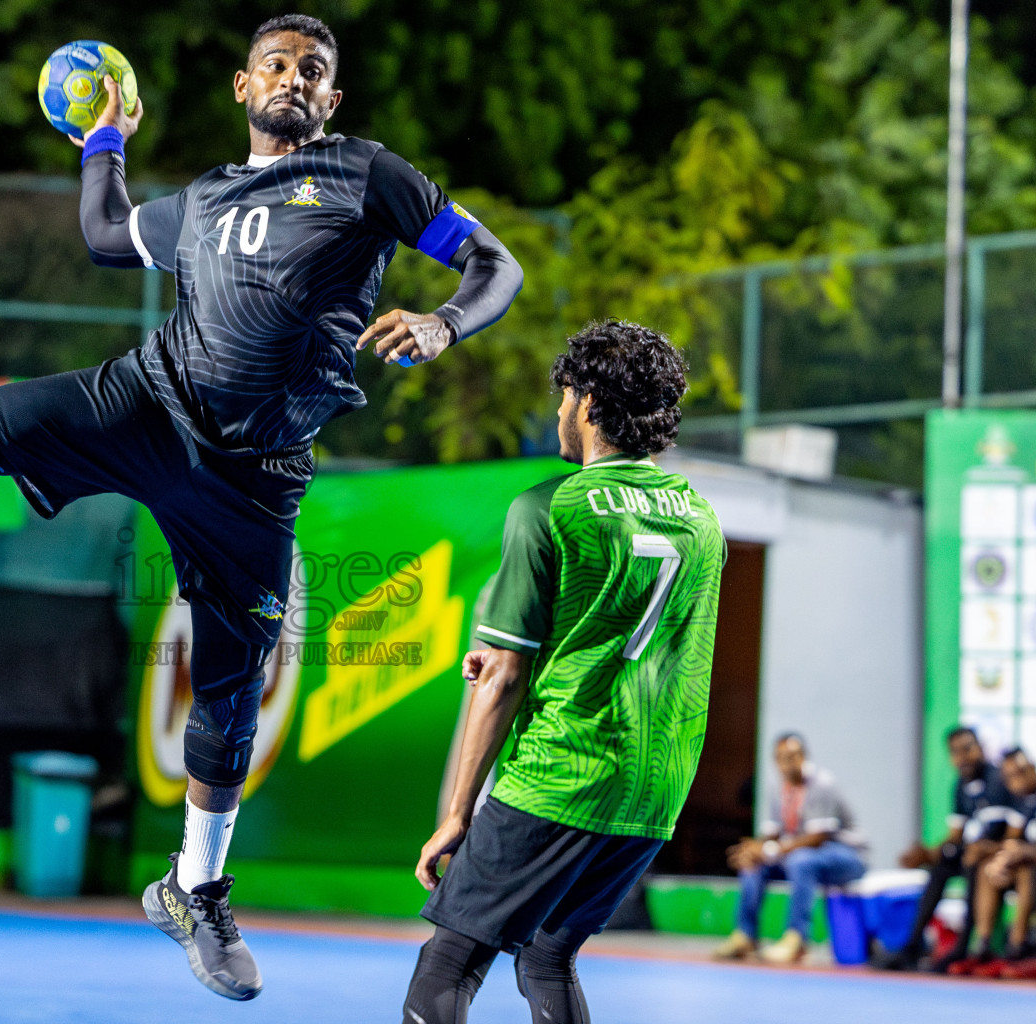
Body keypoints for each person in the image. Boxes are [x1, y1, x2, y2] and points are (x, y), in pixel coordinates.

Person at [0, 13, 523, 1002]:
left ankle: (194, 886)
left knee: (229, 688)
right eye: (275, 63)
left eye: (314, 68)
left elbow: (494, 265)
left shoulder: (369, 176)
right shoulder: (203, 198)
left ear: (332, 99)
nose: (294, 75)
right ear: (243, 89)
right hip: (143, 405)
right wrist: (104, 142)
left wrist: (442, 320)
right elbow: (103, 234)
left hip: (253, 476)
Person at [399, 321, 725, 1024]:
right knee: (549, 955)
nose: (556, 412)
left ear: (587, 403)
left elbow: (503, 677)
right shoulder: (701, 519)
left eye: (564, 395)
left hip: (562, 772)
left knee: (447, 966)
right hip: (653, 791)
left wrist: (456, 814)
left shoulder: (550, 507)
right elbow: (648, 643)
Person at [714, 734, 867, 964]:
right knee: (754, 864)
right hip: (800, 854)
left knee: (800, 860)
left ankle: (797, 938)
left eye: (793, 757)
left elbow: (818, 838)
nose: (787, 763)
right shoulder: (779, 788)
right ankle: (746, 935)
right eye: (781, 758)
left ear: (803, 757)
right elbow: (773, 835)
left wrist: (771, 850)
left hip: (845, 856)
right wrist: (755, 850)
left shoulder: (822, 783)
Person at [874, 725, 1009, 971]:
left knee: (972, 862)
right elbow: (955, 836)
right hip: (972, 853)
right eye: (956, 752)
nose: (963, 757)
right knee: (941, 865)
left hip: (996, 858)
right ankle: (912, 945)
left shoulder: (998, 780)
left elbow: (1010, 835)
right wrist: (927, 854)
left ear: (980, 748)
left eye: (968, 749)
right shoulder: (960, 786)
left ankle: (963, 948)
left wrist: (984, 849)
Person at [947, 747, 1036, 977]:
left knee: (1027, 868)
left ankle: (1017, 947)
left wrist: (1024, 852)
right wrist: (1001, 857)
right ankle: (984, 946)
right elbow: (1013, 842)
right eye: (1009, 776)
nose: (1016, 780)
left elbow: (1025, 849)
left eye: (1021, 772)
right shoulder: (1022, 805)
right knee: (989, 867)